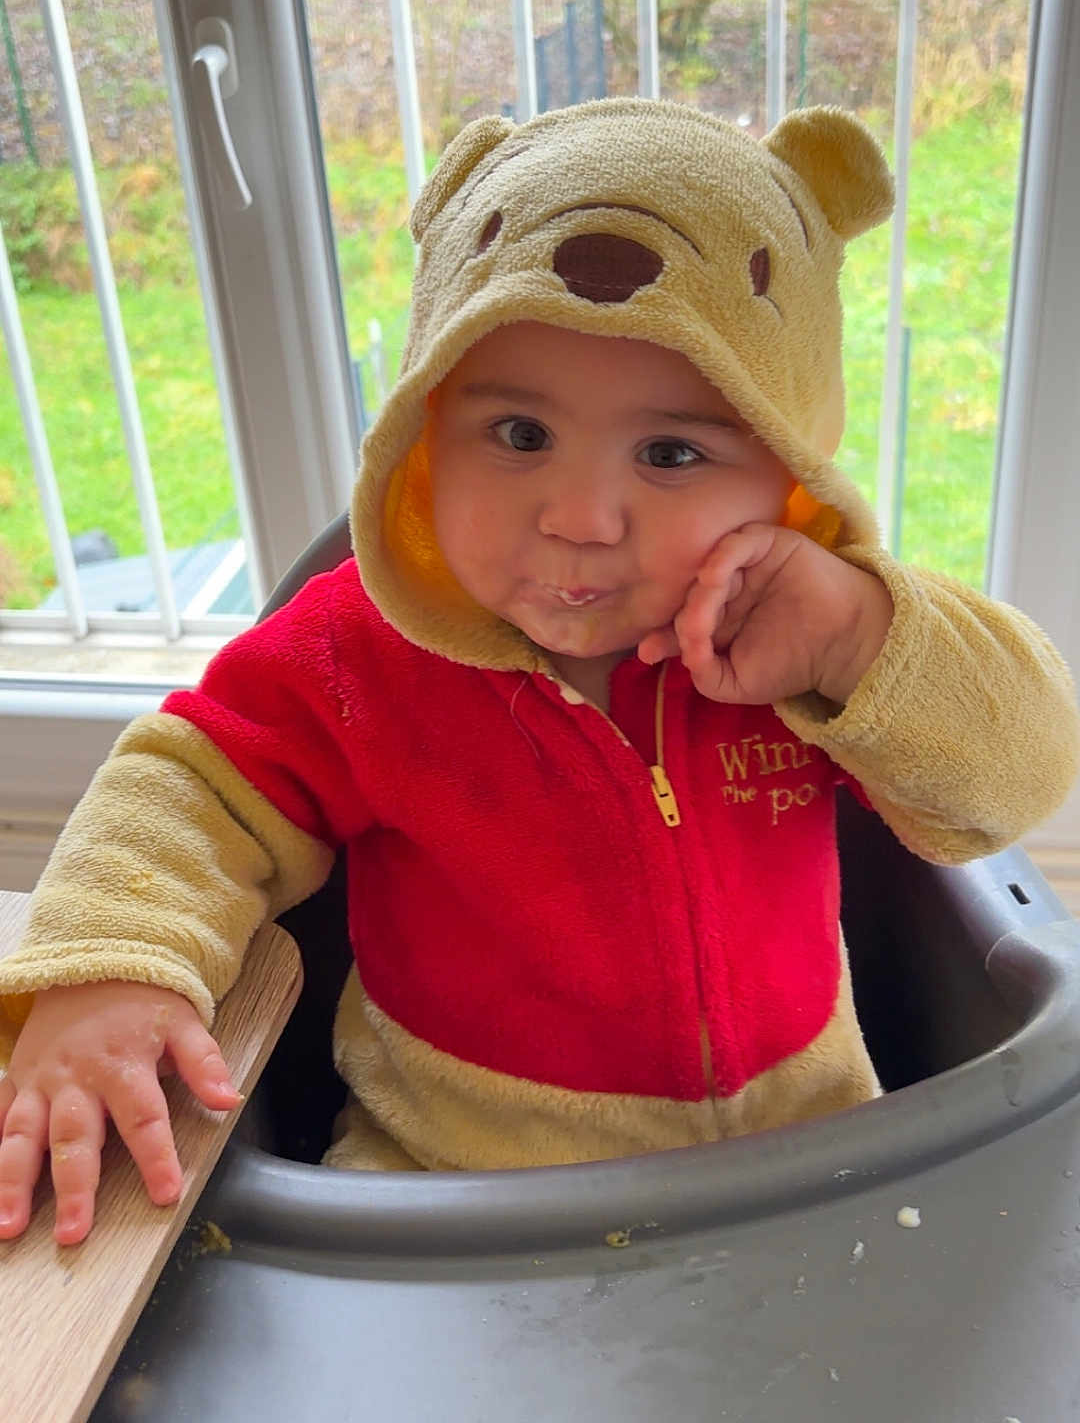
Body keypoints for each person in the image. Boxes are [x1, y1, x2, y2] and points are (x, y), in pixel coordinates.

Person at [1, 98, 1077, 1247]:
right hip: (446, 1189)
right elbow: (194, 785)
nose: (579, 518)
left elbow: (1016, 783)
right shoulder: (363, 651)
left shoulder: (807, 635)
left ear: (790, 472)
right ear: (425, 434)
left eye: (671, 453)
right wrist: (114, 966)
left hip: (811, 1164)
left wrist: (864, 639)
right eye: (519, 435)